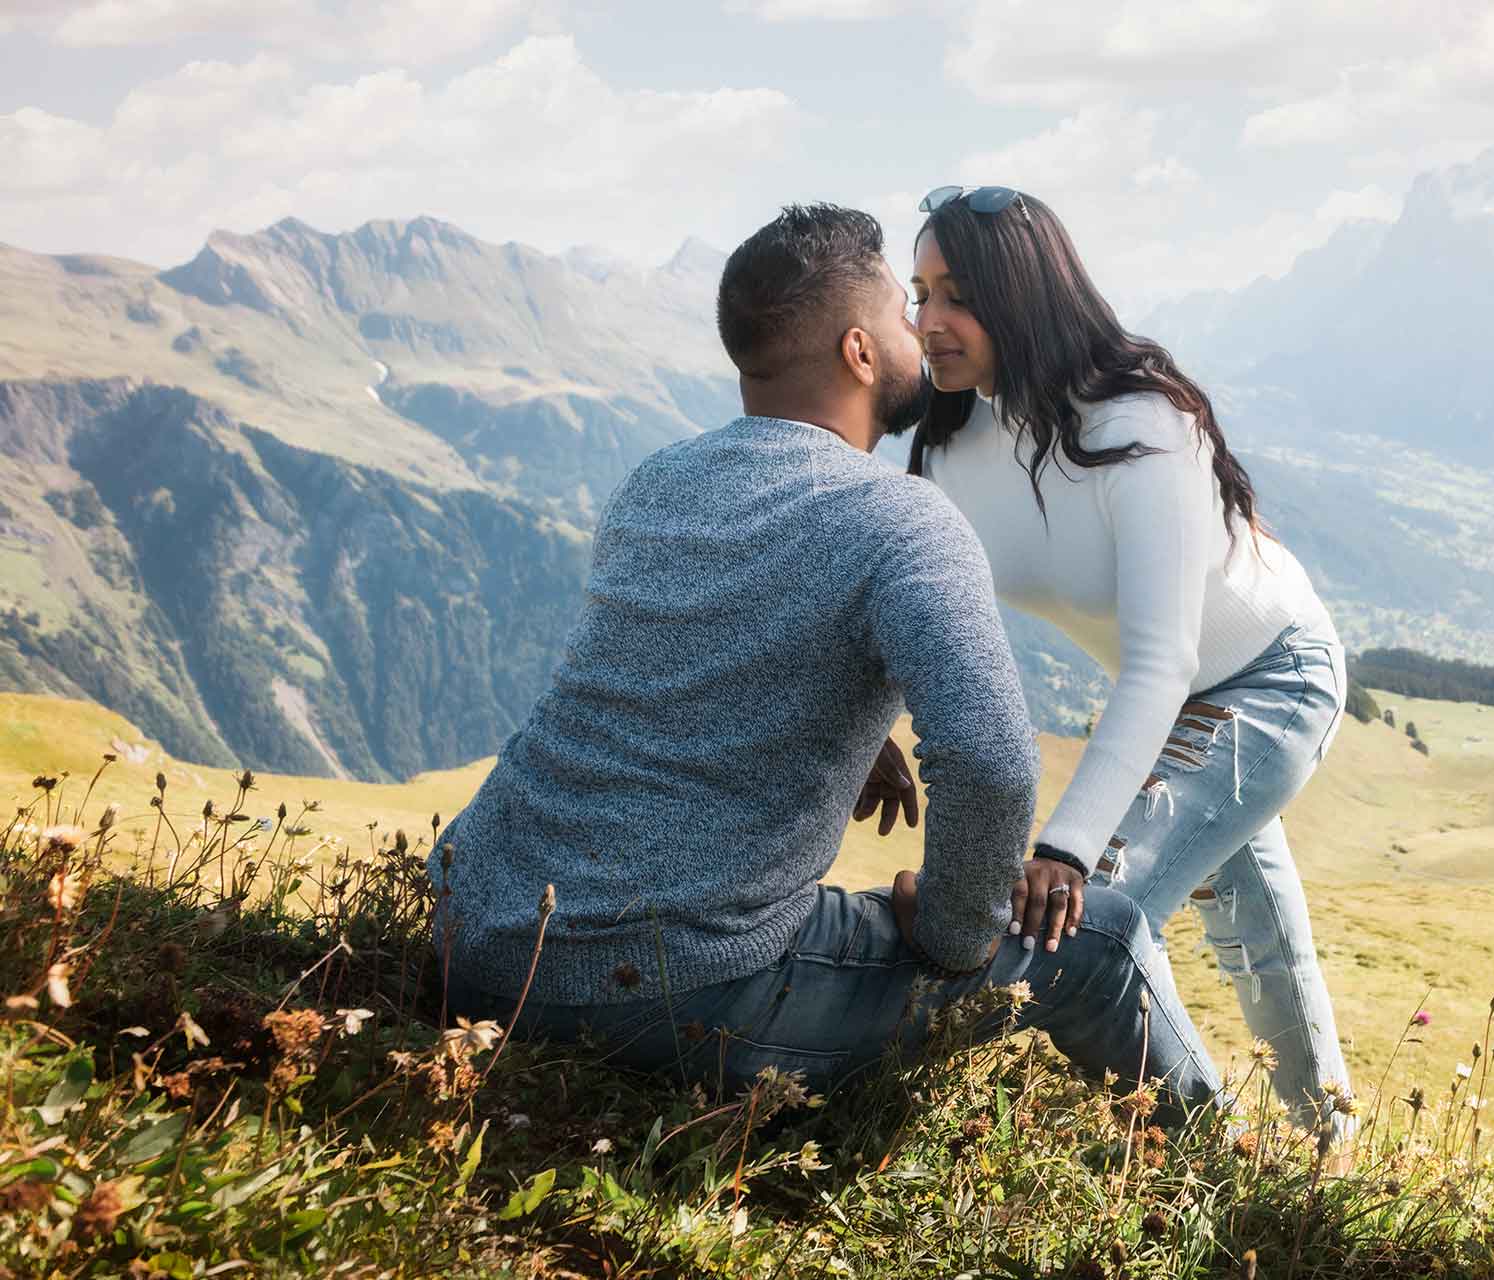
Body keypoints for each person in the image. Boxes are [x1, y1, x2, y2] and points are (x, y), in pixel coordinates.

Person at [430, 203, 1218, 1122]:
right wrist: (962, 937)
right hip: (668, 986)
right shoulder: (901, 519)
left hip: (474, 941)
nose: (920, 329)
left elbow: (681, 669)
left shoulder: (657, 482)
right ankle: (1238, 1171)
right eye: (901, 313)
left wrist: (846, 715)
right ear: (858, 352)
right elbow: (990, 761)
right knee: (1109, 941)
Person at [908, 186, 1352, 1140]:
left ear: (1020, 294)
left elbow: (1161, 658)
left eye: (954, 295)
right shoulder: (948, 441)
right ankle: (1328, 1154)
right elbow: (898, 598)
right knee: (1260, 941)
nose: (927, 322)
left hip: (1271, 676)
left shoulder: (1140, 422)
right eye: (918, 294)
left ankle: (1213, 1159)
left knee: (1093, 911)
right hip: (1173, 702)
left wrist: (1062, 848)